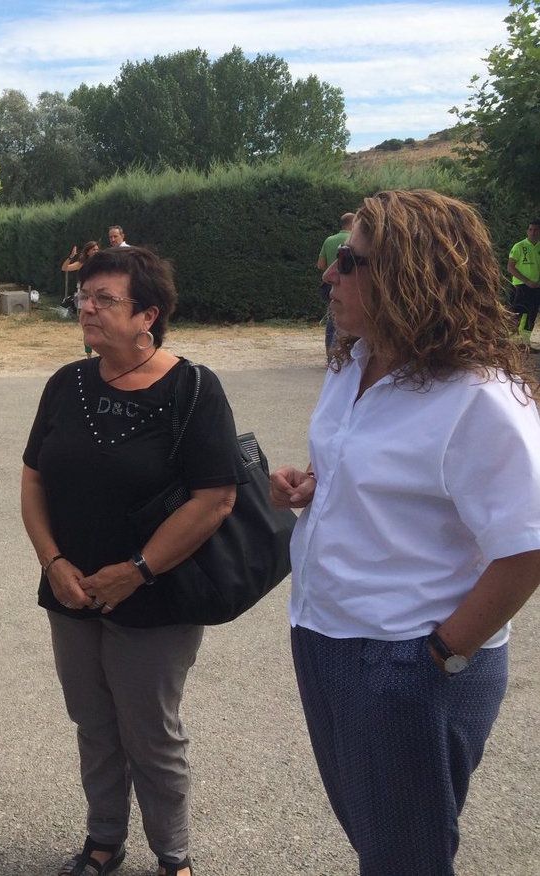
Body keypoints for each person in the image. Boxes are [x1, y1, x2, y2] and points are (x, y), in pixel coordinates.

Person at [270, 190, 540, 875]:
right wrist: (315, 488)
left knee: (404, 859)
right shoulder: (356, 364)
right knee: (376, 839)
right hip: (324, 634)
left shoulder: (478, 399)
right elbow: (382, 485)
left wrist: (438, 658)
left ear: (410, 272)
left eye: (348, 262)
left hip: (406, 658)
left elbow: (527, 546)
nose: (328, 275)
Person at [21, 246, 244, 876]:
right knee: (93, 724)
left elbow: (215, 499)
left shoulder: (194, 389)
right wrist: (53, 563)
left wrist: (138, 570)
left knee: (152, 734)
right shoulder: (66, 384)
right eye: (83, 298)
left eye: (103, 300)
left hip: (157, 595)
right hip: (69, 590)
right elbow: (32, 480)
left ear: (148, 314)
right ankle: (103, 841)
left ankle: (173, 855)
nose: (85, 309)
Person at [316, 212, 355, 352]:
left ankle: (330, 351)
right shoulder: (355, 240)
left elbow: (320, 265)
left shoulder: (329, 240)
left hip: (329, 285)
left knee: (332, 316)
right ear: (353, 223)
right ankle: (343, 350)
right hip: (350, 285)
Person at [62, 241, 101, 356]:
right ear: (88, 251)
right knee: (87, 325)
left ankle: (101, 352)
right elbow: (65, 268)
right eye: (94, 250)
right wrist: (71, 257)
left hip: (97, 293)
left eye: (97, 249)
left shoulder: (101, 262)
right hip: (85, 293)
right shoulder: (81, 263)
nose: (96, 251)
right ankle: (88, 354)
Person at [507, 219, 540, 350]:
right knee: (517, 313)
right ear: (527, 231)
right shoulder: (519, 246)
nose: (533, 232)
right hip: (521, 286)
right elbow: (510, 267)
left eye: (536, 230)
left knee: (532, 314)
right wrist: (527, 281)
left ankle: (525, 344)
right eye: (530, 229)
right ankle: (510, 343)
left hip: (536, 287)